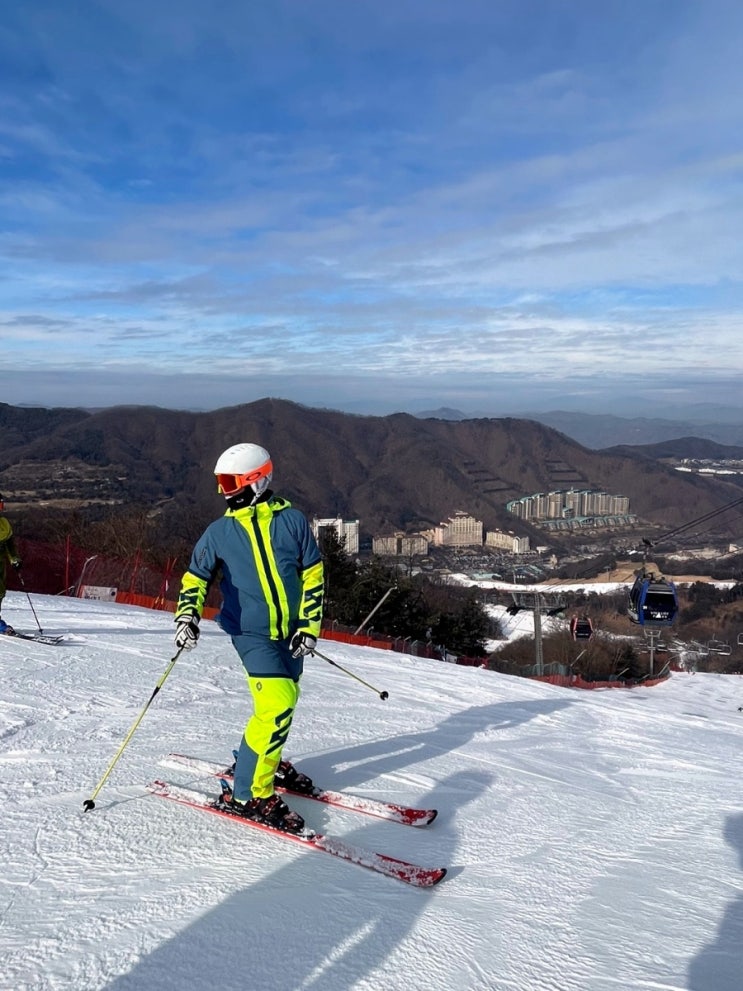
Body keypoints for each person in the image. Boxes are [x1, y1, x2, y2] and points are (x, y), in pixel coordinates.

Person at [174, 443, 324, 833]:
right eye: (221, 482)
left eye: (230, 482)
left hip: (291, 633)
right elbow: (195, 576)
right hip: (250, 632)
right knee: (278, 703)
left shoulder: (291, 521)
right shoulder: (219, 532)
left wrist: (309, 626)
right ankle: (249, 793)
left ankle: (264, 761)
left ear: (257, 481)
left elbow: (313, 574)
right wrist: (187, 614)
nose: (224, 490)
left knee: (283, 703)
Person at [0, 493, 22, 634]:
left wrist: (15, 559)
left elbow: (10, 544)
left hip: (0, 563)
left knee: (0, 592)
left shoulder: (4, 523)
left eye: (1, 505)